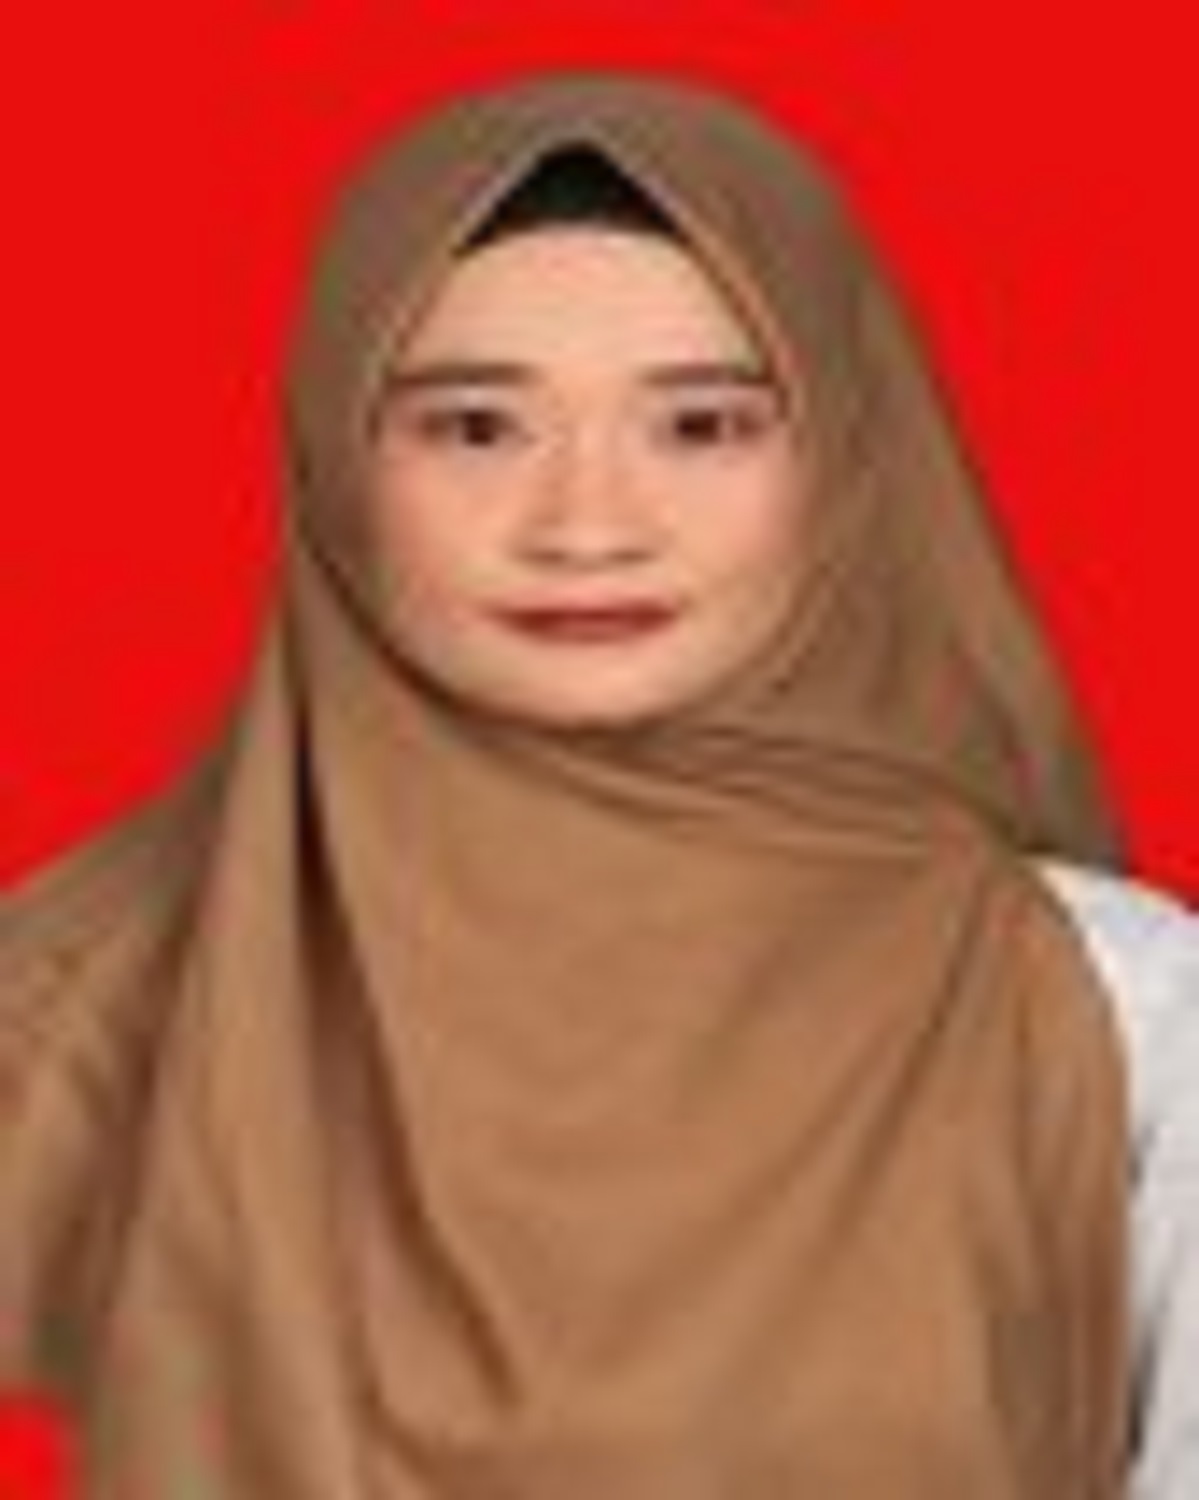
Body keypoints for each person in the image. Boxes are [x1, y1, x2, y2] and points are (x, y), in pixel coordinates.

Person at [1, 67, 1196, 1499]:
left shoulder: (1110, 1008)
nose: (586, 526)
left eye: (702, 427)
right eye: (475, 428)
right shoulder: (93, 1001)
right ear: (335, 465)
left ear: (846, 463)